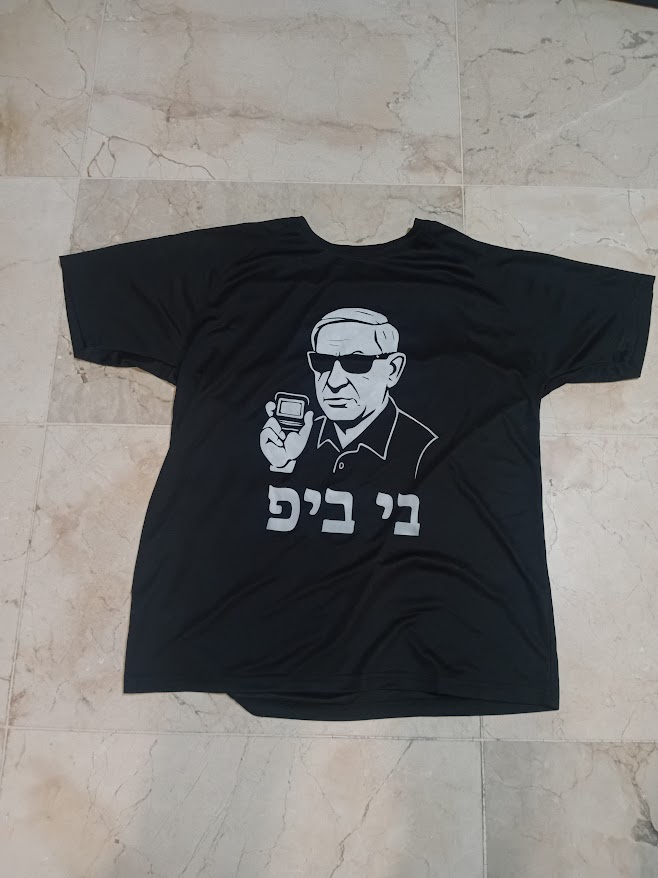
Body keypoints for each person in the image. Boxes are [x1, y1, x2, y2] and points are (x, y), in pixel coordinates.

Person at [260, 307, 438, 482]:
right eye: (322, 361)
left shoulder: (426, 450)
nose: (334, 382)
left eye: (356, 362)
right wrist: (282, 463)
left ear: (392, 370)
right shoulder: (298, 438)